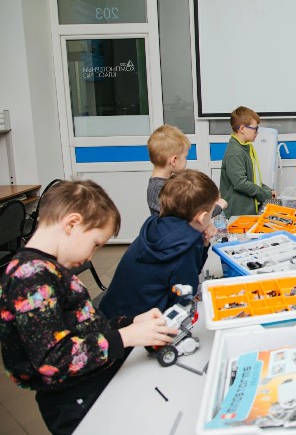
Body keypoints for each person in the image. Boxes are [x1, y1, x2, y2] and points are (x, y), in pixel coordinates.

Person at [0, 180, 177, 435]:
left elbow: (81, 327)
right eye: (95, 243)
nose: (91, 256)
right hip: (74, 400)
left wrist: (131, 324)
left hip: (88, 385)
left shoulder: (47, 269)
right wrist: (125, 337)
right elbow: (53, 359)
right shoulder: (31, 277)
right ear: (72, 224)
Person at [100, 170, 218, 320]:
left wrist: (204, 242)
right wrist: (201, 243)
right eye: (211, 213)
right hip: (139, 325)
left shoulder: (153, 225)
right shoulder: (189, 244)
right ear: (202, 217)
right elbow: (185, 296)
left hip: (109, 316)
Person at [147, 124, 226, 217]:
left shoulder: (165, 183)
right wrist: (218, 207)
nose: (186, 160)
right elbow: (190, 217)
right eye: (185, 157)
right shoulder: (161, 189)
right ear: (174, 160)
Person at [220, 106, 275, 216]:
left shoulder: (246, 147)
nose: (257, 132)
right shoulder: (235, 152)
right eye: (255, 129)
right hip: (238, 212)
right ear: (242, 129)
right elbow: (241, 183)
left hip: (248, 209)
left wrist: (268, 190)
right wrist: (265, 194)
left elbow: (253, 179)